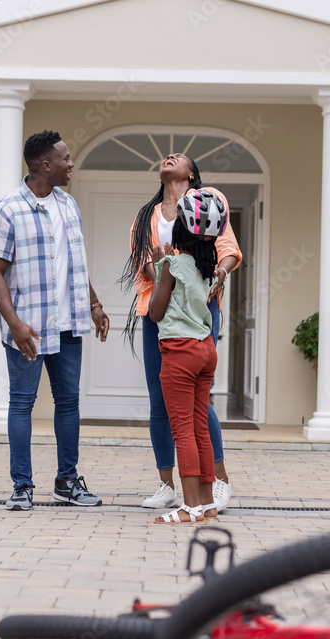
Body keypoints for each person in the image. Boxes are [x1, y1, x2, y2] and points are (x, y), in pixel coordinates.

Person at [0, 130, 111, 512]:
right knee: (22, 403)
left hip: (69, 321)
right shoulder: (8, 209)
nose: (72, 163)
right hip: (30, 327)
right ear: (46, 165)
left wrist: (94, 303)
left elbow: (75, 264)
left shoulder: (69, 205)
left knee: (68, 401)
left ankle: (67, 483)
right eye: (66, 158)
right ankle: (22, 486)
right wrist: (15, 324)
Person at [120, 153, 242, 512]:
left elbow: (228, 249)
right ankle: (166, 485)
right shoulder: (146, 217)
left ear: (192, 173)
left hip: (200, 308)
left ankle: (218, 481)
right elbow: (143, 262)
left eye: (179, 157)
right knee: (160, 401)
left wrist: (217, 275)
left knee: (197, 400)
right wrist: (166, 272)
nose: (169, 157)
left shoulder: (209, 199)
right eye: (165, 157)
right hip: (156, 312)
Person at [148, 189, 229, 524]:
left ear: (179, 231)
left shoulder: (173, 264)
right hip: (205, 350)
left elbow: (155, 311)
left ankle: (190, 506)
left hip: (179, 352)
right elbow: (183, 297)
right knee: (199, 427)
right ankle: (208, 504)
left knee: (181, 428)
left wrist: (158, 266)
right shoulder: (209, 268)